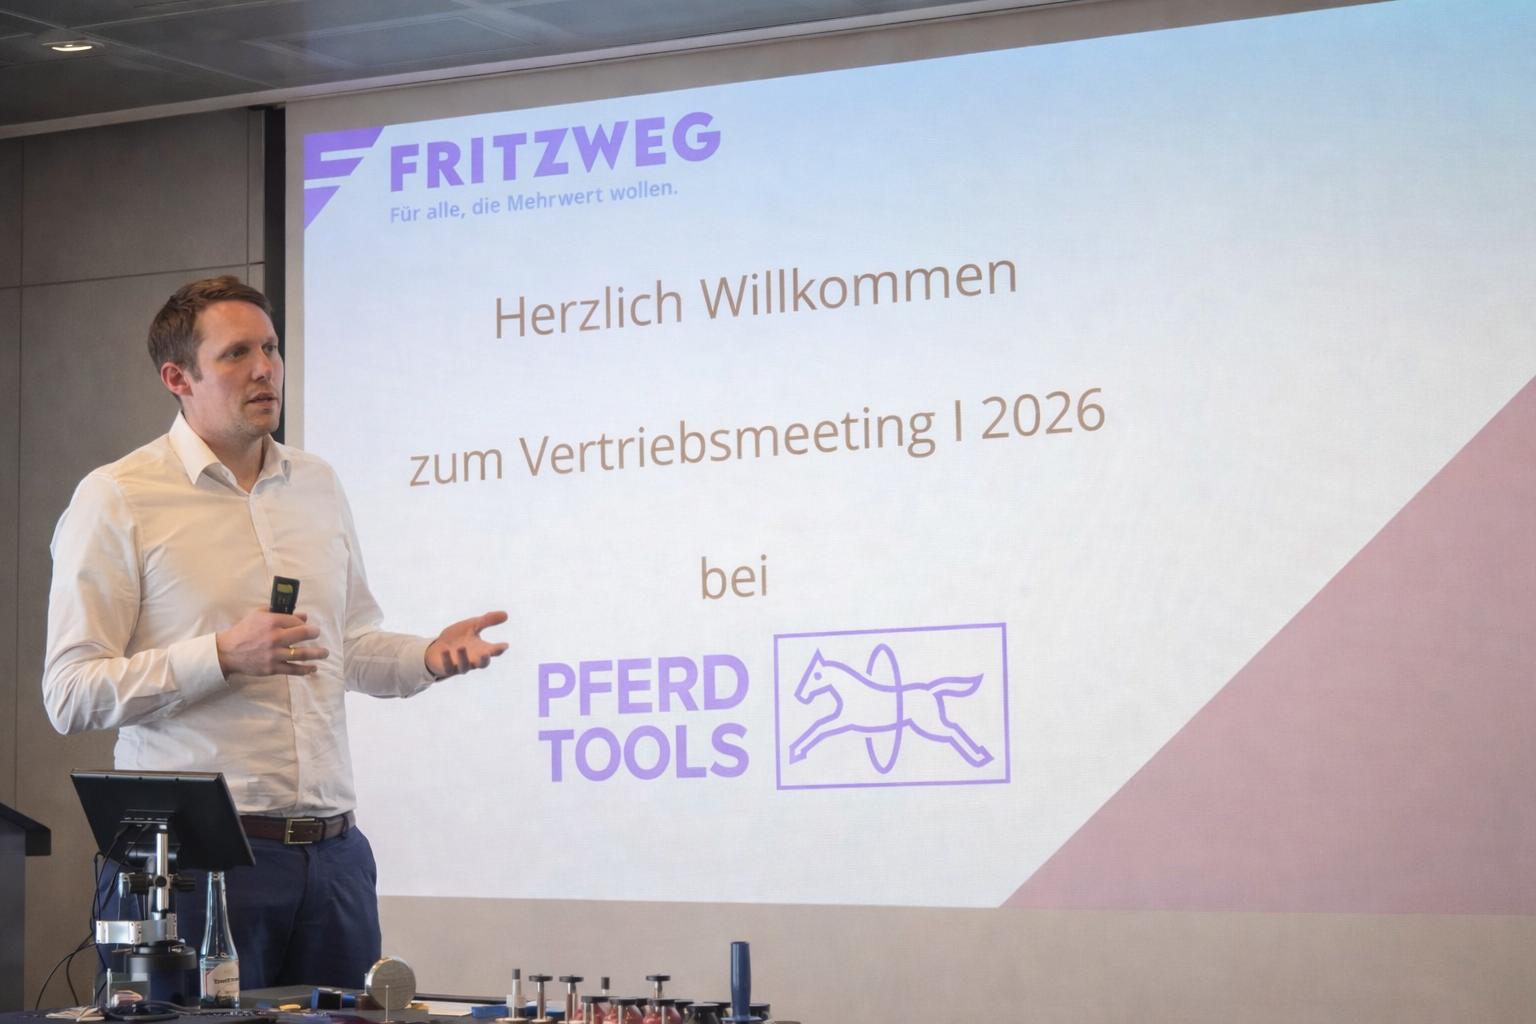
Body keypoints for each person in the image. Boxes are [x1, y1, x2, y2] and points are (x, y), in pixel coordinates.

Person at [42, 276, 508, 989]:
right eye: (236, 354)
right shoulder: (118, 498)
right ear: (178, 378)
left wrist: (428, 657)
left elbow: (348, 647)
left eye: (271, 348)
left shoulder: (316, 484)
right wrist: (222, 656)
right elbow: (71, 693)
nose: (265, 369)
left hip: (334, 860)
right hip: (196, 869)